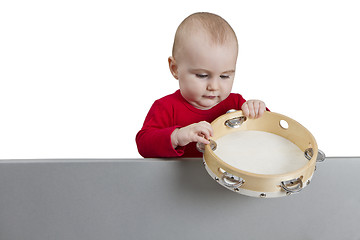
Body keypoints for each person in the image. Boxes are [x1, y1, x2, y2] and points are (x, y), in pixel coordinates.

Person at [136, 12, 268, 158]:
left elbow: (269, 133)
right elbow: (143, 145)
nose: (214, 86)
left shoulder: (237, 104)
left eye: (224, 76)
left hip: (226, 180)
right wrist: (177, 136)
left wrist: (258, 110)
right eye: (202, 75)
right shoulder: (166, 107)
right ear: (175, 69)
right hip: (178, 180)